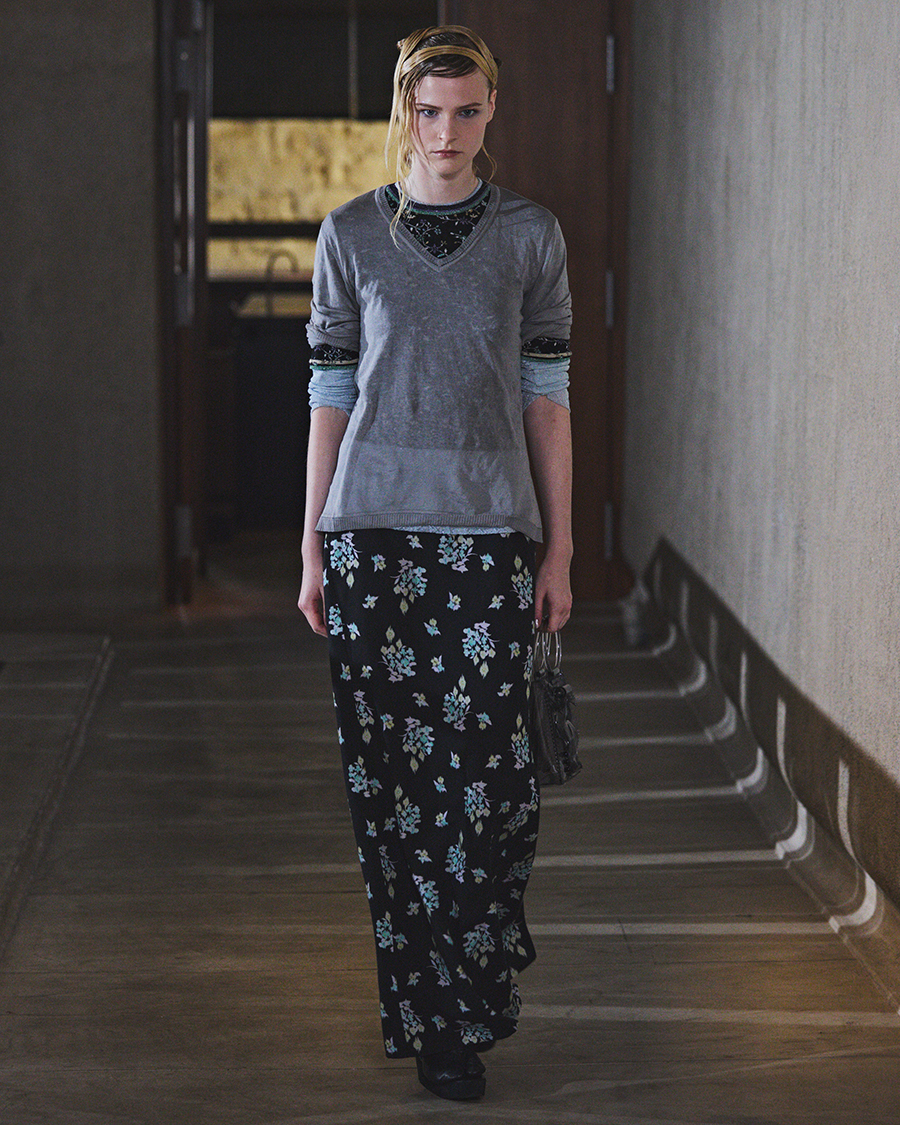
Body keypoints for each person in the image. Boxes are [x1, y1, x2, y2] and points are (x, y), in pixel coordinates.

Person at [298, 25, 573, 1102]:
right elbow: (329, 395)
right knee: (397, 797)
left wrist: (559, 546)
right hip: (370, 544)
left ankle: (472, 980)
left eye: (464, 111)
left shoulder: (530, 238)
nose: (445, 132)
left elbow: (547, 398)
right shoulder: (349, 236)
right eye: (427, 111)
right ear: (403, 114)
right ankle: (433, 1022)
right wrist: (312, 543)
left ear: (491, 109)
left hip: (490, 543)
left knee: (487, 790)